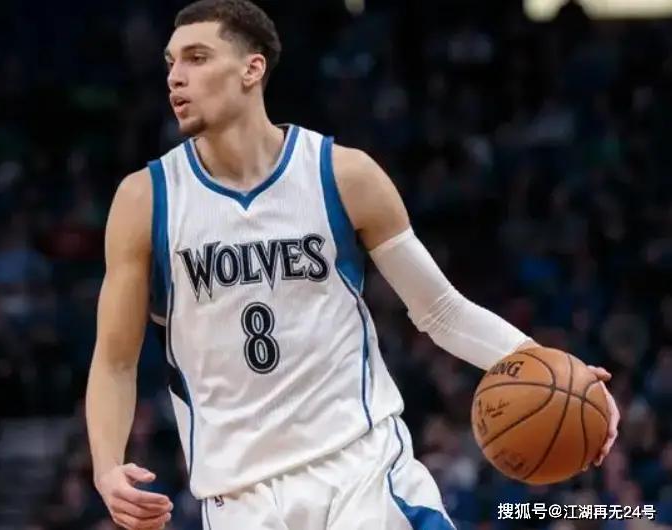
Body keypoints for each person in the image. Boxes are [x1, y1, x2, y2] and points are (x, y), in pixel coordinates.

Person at [85, 1, 620, 529]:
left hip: (364, 473)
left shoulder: (343, 174)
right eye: (171, 62)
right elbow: (115, 360)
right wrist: (107, 468)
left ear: (252, 69)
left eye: (197, 58)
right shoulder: (146, 200)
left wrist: (553, 368)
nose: (175, 77)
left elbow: (440, 310)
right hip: (238, 499)